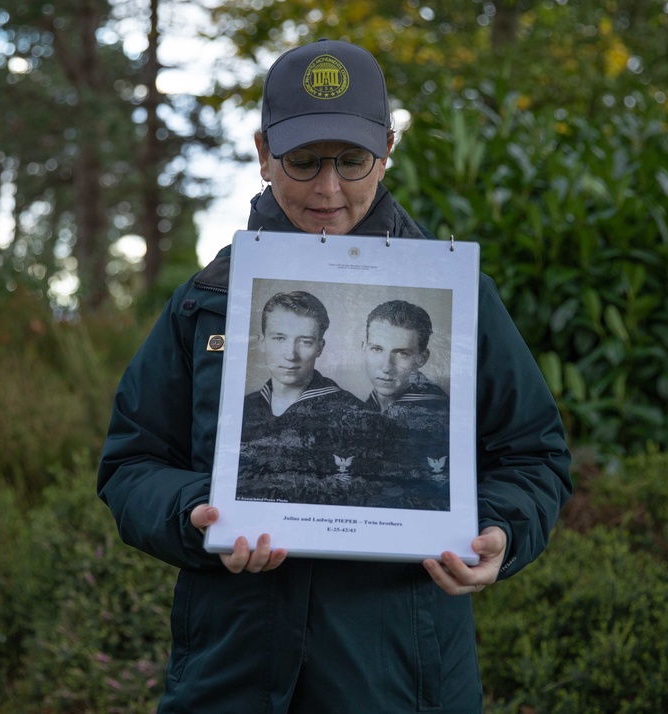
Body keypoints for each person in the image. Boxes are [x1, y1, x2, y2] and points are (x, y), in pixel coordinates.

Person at [97, 38, 572, 713]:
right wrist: (195, 516)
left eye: (352, 161)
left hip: (402, 683)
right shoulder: (206, 302)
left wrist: (501, 530)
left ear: (387, 149)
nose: (328, 188)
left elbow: (535, 456)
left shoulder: (462, 298)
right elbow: (131, 463)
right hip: (229, 679)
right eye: (303, 160)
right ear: (263, 153)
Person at [236, 290, 368, 504]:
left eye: (305, 341)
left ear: (320, 347)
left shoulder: (356, 415)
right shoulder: (241, 409)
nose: (290, 354)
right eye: (279, 338)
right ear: (262, 342)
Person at [362, 299, 451, 495]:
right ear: (364, 348)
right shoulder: (359, 408)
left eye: (402, 353)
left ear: (422, 358)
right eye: (377, 349)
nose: (386, 367)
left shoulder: (442, 417)